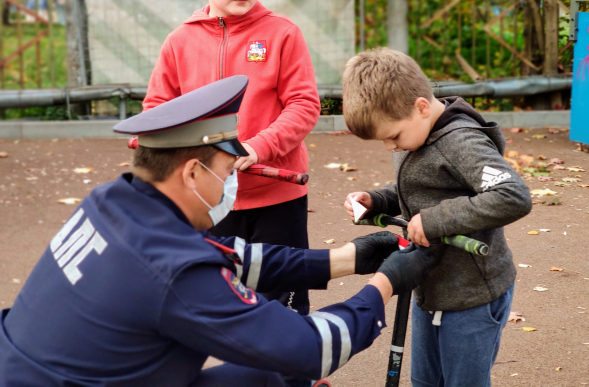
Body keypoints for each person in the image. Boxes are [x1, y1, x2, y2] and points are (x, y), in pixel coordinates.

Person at [0, 76, 439, 387]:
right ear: (193, 173)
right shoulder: (175, 273)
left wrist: (352, 257)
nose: (233, 181)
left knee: (267, 378)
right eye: (228, 170)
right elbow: (313, 348)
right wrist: (387, 282)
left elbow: (228, 255)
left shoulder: (112, 202)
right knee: (289, 368)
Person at [143, 0, 320, 316]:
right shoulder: (179, 42)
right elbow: (156, 109)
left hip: (278, 197)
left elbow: (304, 105)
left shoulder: (282, 34)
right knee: (220, 306)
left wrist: (258, 148)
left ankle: (296, 379)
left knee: (283, 306)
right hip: (208, 199)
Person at [341, 48, 533, 387]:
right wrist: (378, 201)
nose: (391, 147)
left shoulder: (461, 142)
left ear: (421, 107)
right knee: (426, 381)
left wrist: (434, 221)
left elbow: (512, 195)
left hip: (471, 297)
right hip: (430, 288)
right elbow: (423, 188)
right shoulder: (416, 134)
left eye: (393, 136)